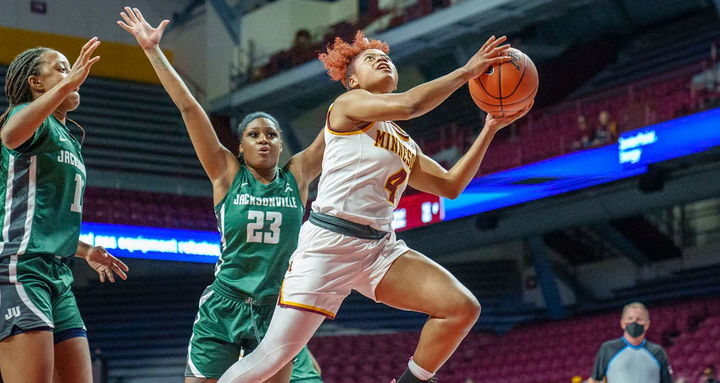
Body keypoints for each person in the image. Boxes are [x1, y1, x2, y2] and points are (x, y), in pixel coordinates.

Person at [217, 31, 531, 383]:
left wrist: (489, 128)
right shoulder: (347, 106)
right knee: (271, 359)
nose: (381, 59)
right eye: (369, 59)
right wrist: (465, 73)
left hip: (379, 249)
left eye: (386, 58)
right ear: (352, 81)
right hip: (328, 243)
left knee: (461, 308)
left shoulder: (403, 141)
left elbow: (450, 185)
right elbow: (411, 104)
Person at [117, 8, 325, 383]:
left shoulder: (298, 174)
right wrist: (153, 51)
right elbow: (189, 107)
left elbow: (339, 123)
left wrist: (363, 88)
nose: (264, 139)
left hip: (276, 310)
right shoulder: (227, 173)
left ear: (281, 144)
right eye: (254, 134)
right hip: (225, 304)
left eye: (272, 134)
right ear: (240, 147)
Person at [0, 39, 129, 383]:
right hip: (16, 268)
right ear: (36, 83)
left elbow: (42, 216)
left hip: (55, 274)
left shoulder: (69, 140)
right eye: (61, 69)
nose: (74, 75)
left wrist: (84, 250)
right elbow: (11, 134)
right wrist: (69, 82)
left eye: (71, 70)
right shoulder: (30, 119)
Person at [588, 302, 673, 383]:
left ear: (647, 324)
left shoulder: (658, 352)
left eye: (639, 319)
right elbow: (594, 380)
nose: (634, 322)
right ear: (622, 323)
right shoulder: (608, 349)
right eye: (630, 318)